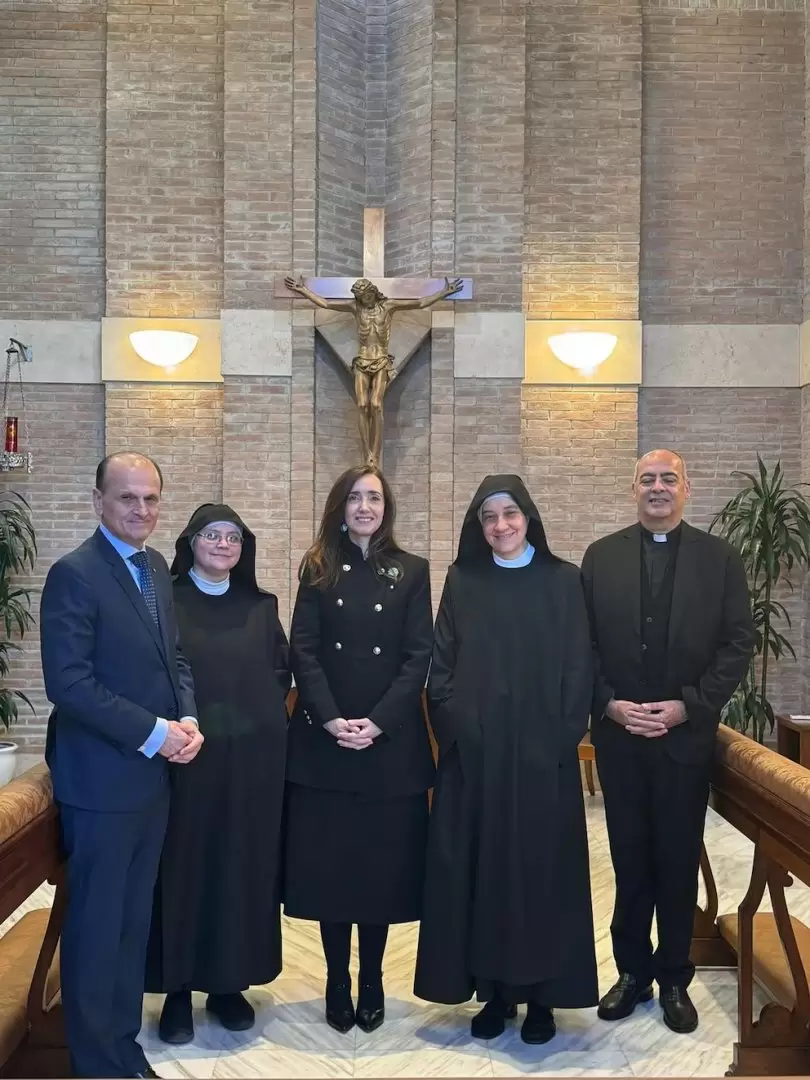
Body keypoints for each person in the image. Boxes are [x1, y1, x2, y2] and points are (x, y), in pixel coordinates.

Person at [414, 475, 598, 1045]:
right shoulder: (463, 581)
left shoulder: (564, 581)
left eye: (510, 513)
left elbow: (579, 664)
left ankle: (542, 997)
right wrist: (460, 734)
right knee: (482, 874)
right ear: (479, 526)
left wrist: (560, 737)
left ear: (528, 518)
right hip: (477, 759)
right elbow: (441, 666)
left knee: (541, 877)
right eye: (489, 517)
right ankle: (493, 991)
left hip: (544, 761)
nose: (500, 525)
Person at [40, 453, 203, 1080]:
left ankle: (124, 1048)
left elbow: (176, 660)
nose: (142, 510)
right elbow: (70, 684)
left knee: (133, 926)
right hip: (102, 783)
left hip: (151, 782)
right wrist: (155, 733)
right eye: (128, 498)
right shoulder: (75, 573)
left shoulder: (157, 567)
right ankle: (95, 1062)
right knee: (98, 928)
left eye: (152, 499)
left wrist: (186, 720)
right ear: (98, 500)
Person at [581, 449, 755, 1034]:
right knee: (628, 858)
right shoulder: (600, 557)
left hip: (685, 739)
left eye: (669, 478)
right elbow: (583, 645)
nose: (658, 488)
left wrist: (689, 706)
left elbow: (737, 643)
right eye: (648, 479)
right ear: (632, 489)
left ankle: (675, 978)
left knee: (677, 859)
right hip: (620, 737)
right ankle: (631, 972)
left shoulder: (720, 559)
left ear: (687, 488)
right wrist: (607, 703)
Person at [284, 465, 434, 1034]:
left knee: (379, 869)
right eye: (354, 497)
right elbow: (305, 647)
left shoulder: (412, 570)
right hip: (327, 743)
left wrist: (377, 721)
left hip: (387, 743)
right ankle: (336, 979)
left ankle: (371, 978)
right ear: (339, 507)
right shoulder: (318, 566)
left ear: (386, 507)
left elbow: (417, 655)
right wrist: (329, 718)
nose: (365, 506)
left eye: (374, 497)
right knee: (332, 869)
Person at [146, 504, 291, 1044]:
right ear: (192, 541)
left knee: (240, 869)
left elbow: (280, 670)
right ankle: (178, 992)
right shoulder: (166, 602)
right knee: (183, 869)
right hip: (185, 762)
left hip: (250, 767)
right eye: (213, 535)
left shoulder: (261, 604)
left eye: (233, 537)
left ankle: (229, 986)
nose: (223, 544)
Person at [283, 274, 462, 466]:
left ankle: (374, 454)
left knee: (376, 404)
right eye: (360, 297)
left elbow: (419, 303)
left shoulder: (388, 306)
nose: (364, 300)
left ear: (373, 293)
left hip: (381, 361)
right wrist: (303, 290)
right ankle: (366, 451)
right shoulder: (355, 308)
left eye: (366, 296)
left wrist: (444, 292)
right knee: (362, 405)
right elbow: (326, 304)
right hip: (362, 361)